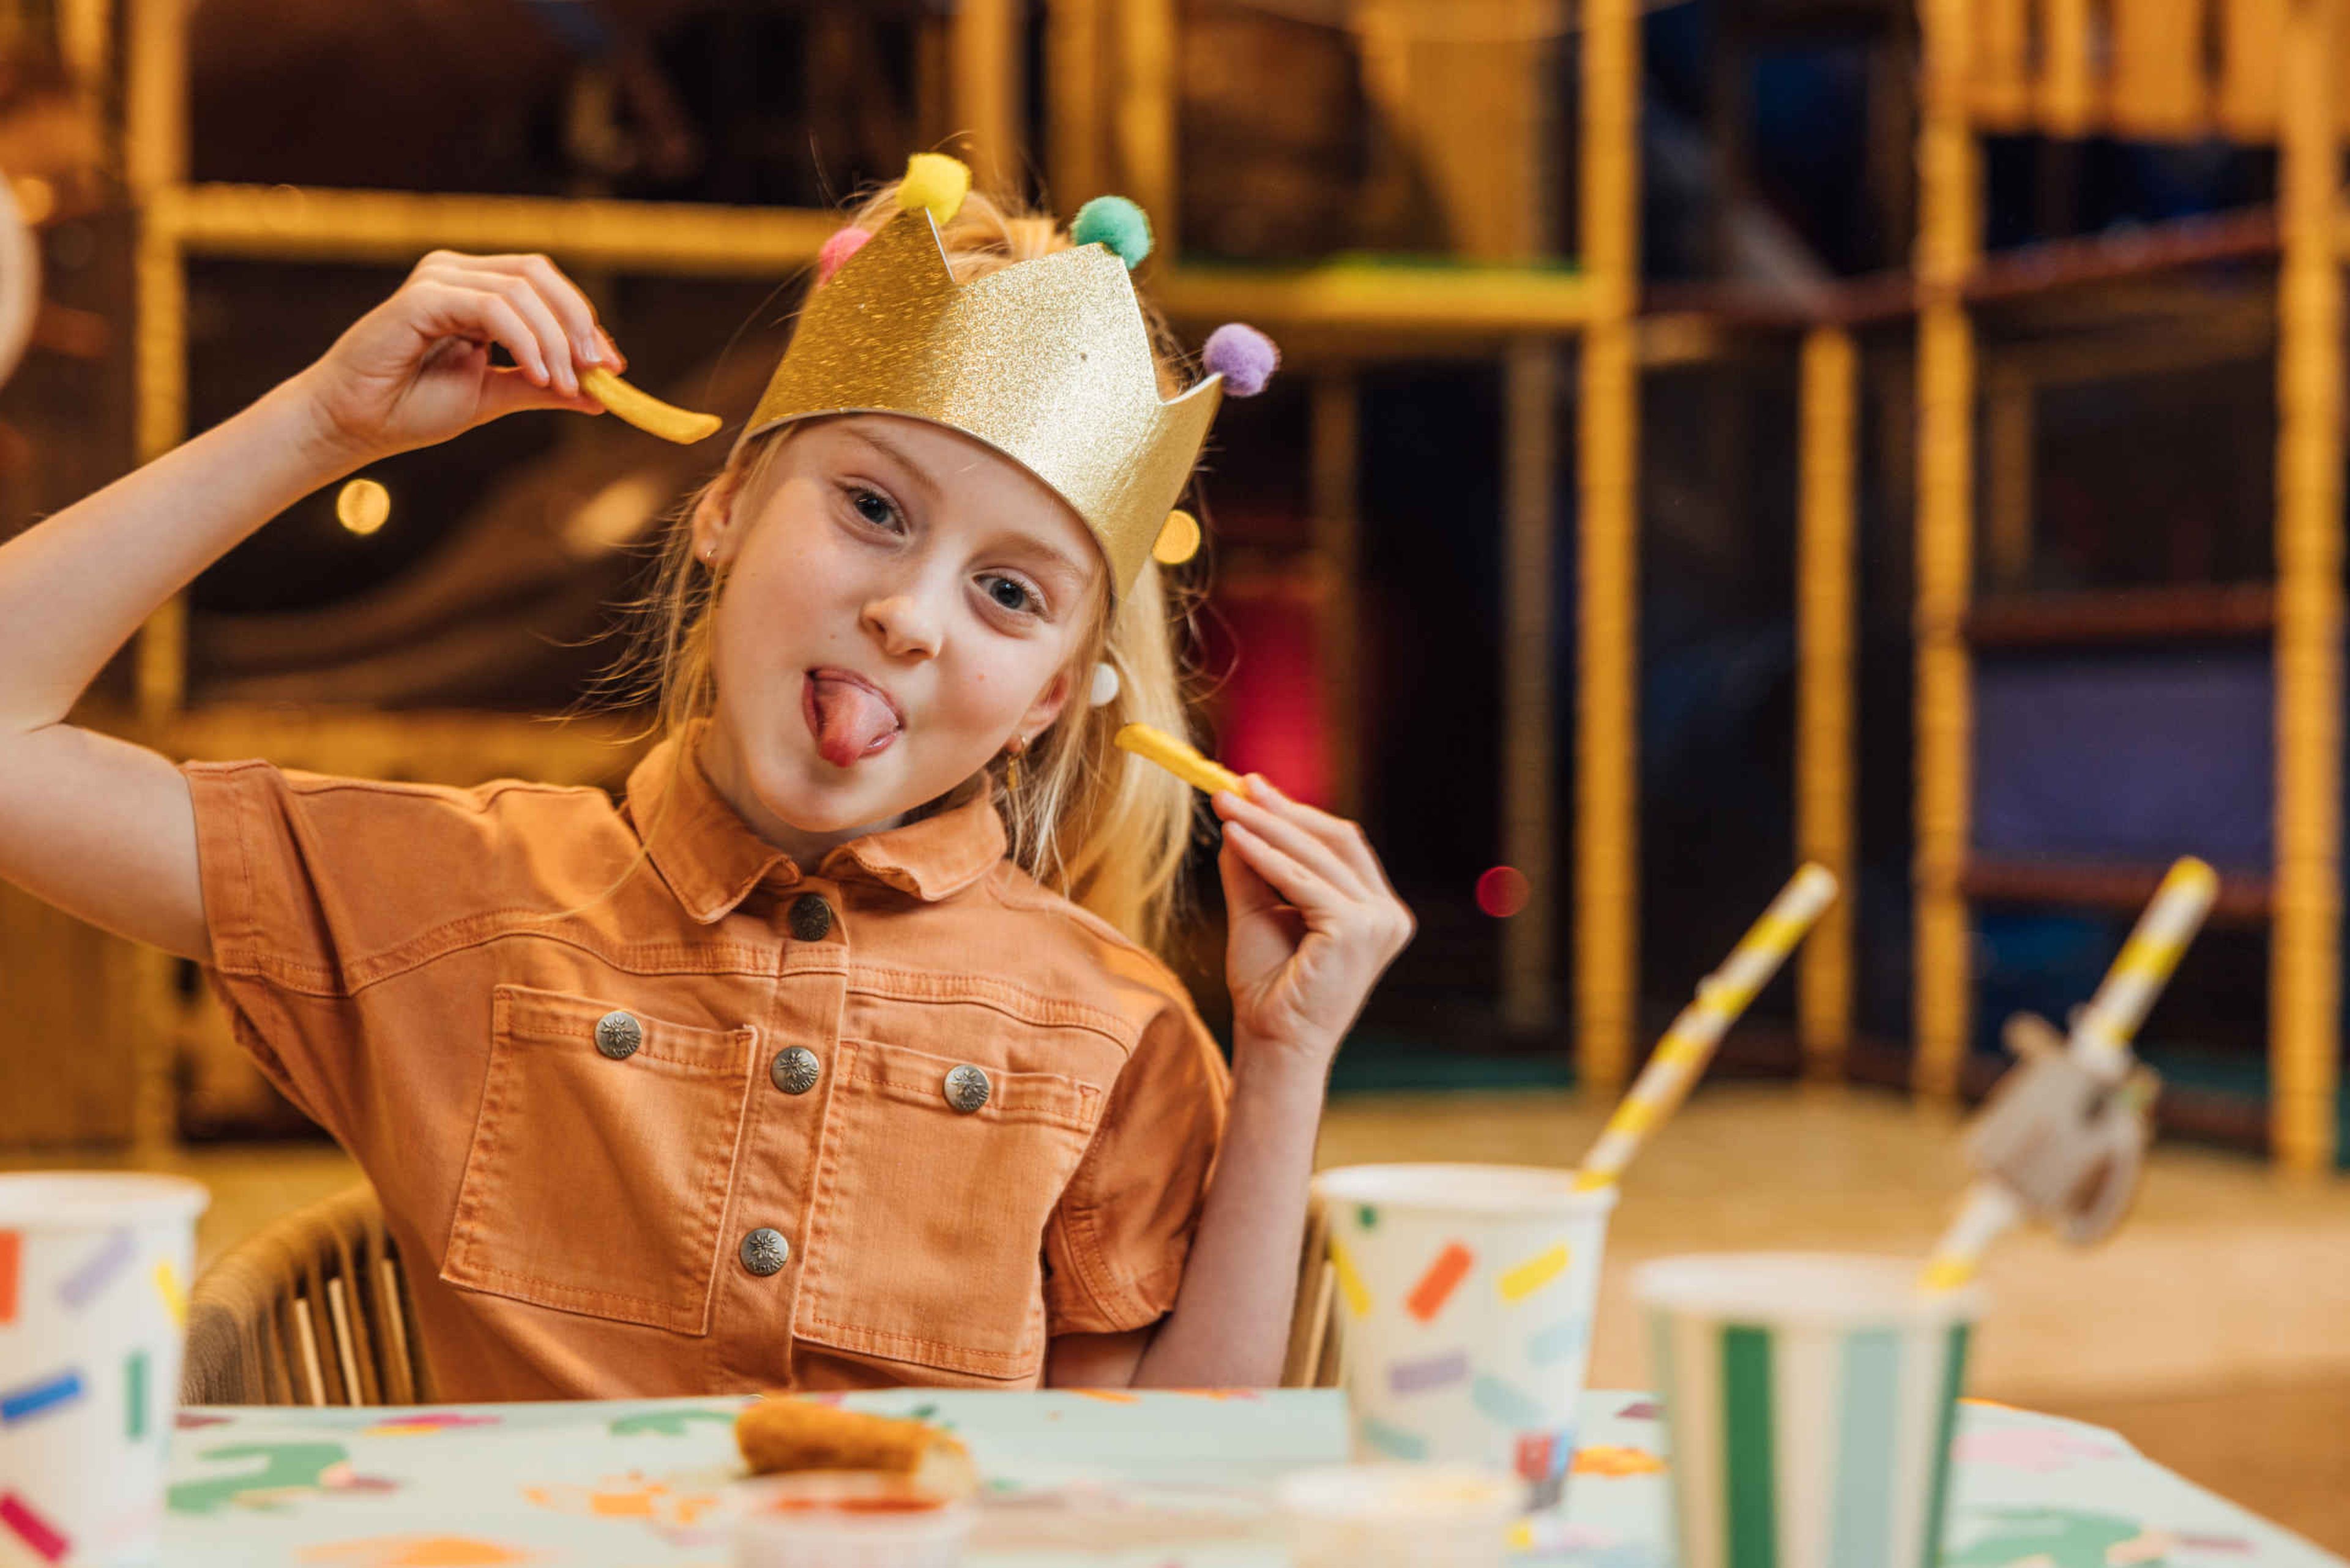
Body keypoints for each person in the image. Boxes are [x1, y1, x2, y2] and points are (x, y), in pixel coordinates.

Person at [0, 158, 1416, 1399]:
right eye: (871, 508)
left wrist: (1285, 1060)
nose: (911, 617)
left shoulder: (1115, 1028)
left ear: (1052, 696)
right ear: (726, 507)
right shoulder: (446, 897)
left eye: (1006, 592)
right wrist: (322, 425)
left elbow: (1176, 1471)